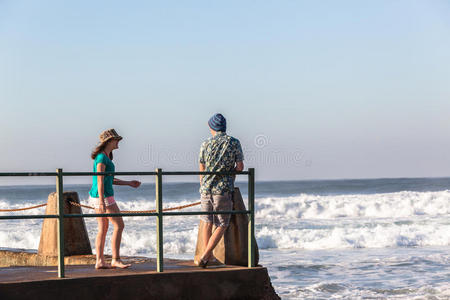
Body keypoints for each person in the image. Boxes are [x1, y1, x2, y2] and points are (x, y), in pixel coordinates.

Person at [196, 113, 244, 268]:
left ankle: (208, 255)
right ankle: (206, 256)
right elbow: (240, 167)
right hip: (223, 188)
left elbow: (201, 168)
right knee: (222, 224)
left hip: (205, 188)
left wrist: (203, 184)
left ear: (212, 127)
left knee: (207, 221)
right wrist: (230, 175)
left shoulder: (205, 143)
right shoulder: (234, 142)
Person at [89, 129, 141, 269]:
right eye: (116, 140)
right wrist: (101, 201)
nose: (118, 142)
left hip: (99, 195)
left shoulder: (105, 157)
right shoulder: (101, 158)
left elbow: (108, 179)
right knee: (119, 225)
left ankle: (100, 261)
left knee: (103, 228)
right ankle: (115, 259)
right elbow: (100, 179)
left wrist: (128, 183)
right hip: (103, 196)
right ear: (109, 141)